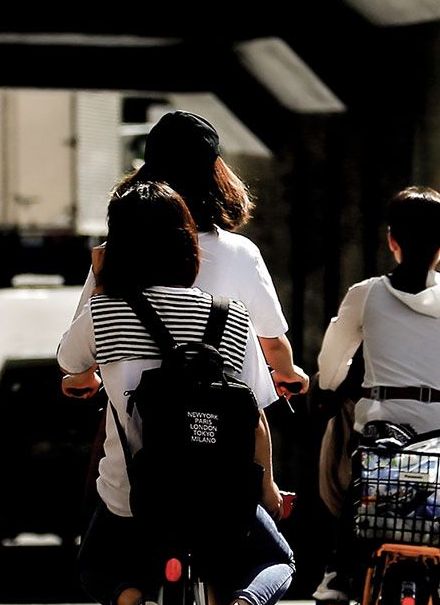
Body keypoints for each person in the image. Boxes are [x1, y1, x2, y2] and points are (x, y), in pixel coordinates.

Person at [58, 181, 295, 605]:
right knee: (276, 559)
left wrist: (100, 279)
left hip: (137, 501)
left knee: (94, 562)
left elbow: (69, 363)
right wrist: (264, 485)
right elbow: (248, 416)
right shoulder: (228, 316)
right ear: (189, 247)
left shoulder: (106, 309)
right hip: (220, 499)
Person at [311, 186, 440, 605]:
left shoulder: (365, 296)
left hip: (382, 425)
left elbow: (332, 364)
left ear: (392, 242)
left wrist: (327, 387)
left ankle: (341, 574)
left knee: (360, 478)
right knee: (434, 531)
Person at [63, 111, 308, 402]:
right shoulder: (241, 253)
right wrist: (287, 372)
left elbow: (87, 340)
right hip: (222, 428)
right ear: (216, 176)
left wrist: (84, 377)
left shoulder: (117, 250)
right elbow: (272, 341)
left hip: (137, 430)